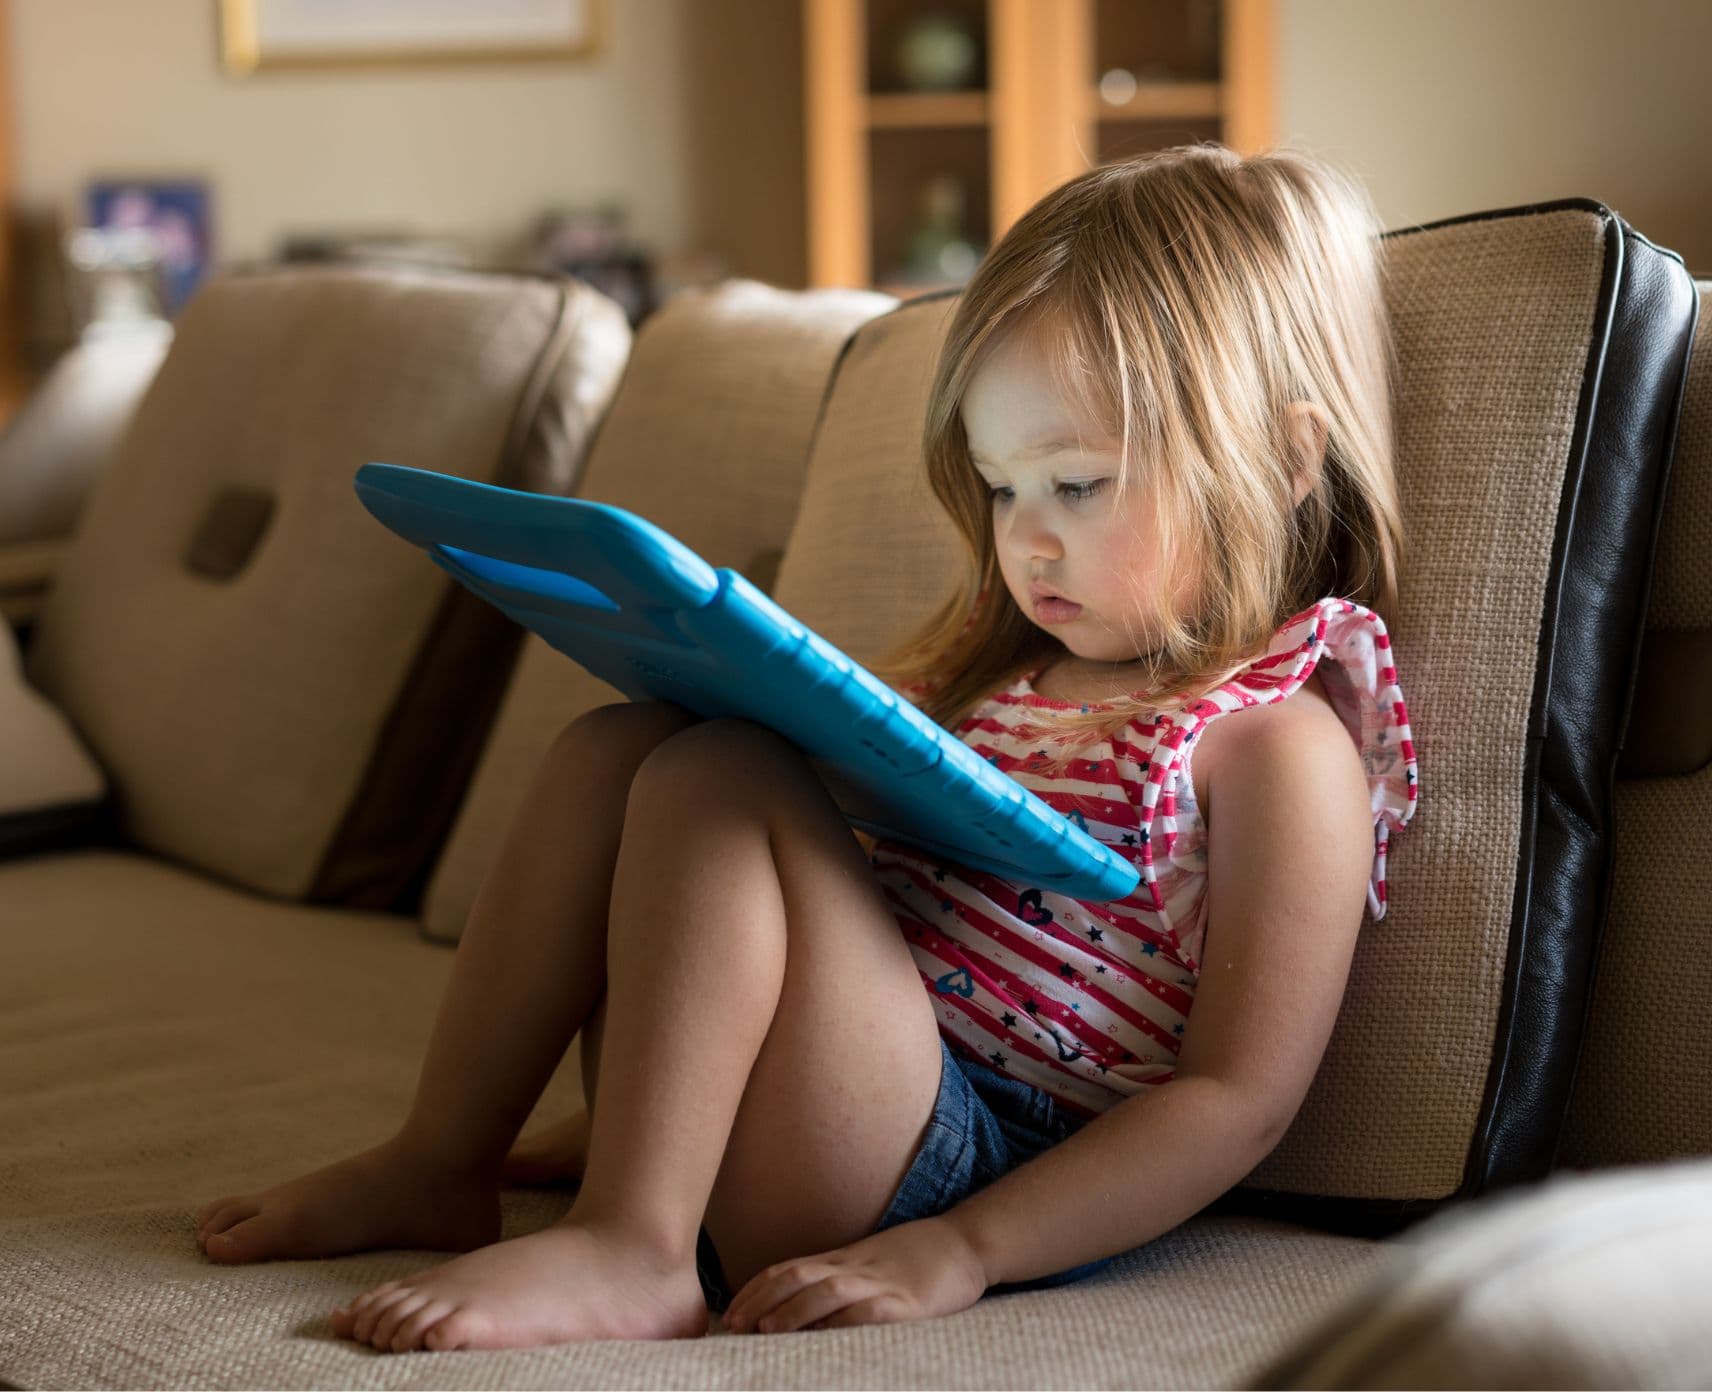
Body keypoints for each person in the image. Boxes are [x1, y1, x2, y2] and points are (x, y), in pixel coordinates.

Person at [193, 141, 1420, 1353]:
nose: (1026, 541)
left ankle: (637, 1249)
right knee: (621, 745)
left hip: (951, 1171)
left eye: (1077, 485)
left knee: (720, 778)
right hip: (816, 1096)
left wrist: (965, 1248)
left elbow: (1234, 1102)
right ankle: (440, 1160)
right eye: (1000, 489)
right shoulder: (995, 673)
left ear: (1284, 456)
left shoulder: (1273, 749)